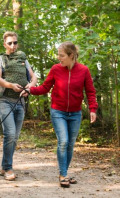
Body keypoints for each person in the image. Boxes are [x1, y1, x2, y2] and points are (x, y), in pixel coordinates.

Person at [21, 41, 98, 188]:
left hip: (75, 113)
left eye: (61, 55)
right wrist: (30, 90)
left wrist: (93, 109)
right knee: (63, 141)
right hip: (58, 111)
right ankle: (63, 175)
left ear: (71, 55)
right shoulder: (56, 69)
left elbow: (90, 91)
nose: (59, 58)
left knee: (70, 144)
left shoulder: (84, 70)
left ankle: (65, 173)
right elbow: (45, 87)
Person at [0, 31, 37, 181]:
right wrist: (10, 85)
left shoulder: (23, 58)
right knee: (10, 134)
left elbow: (33, 76)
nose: (13, 46)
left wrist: (30, 87)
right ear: (4, 44)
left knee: (15, 137)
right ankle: (8, 168)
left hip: (20, 101)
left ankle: (5, 165)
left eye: (15, 43)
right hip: (4, 100)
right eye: (10, 43)